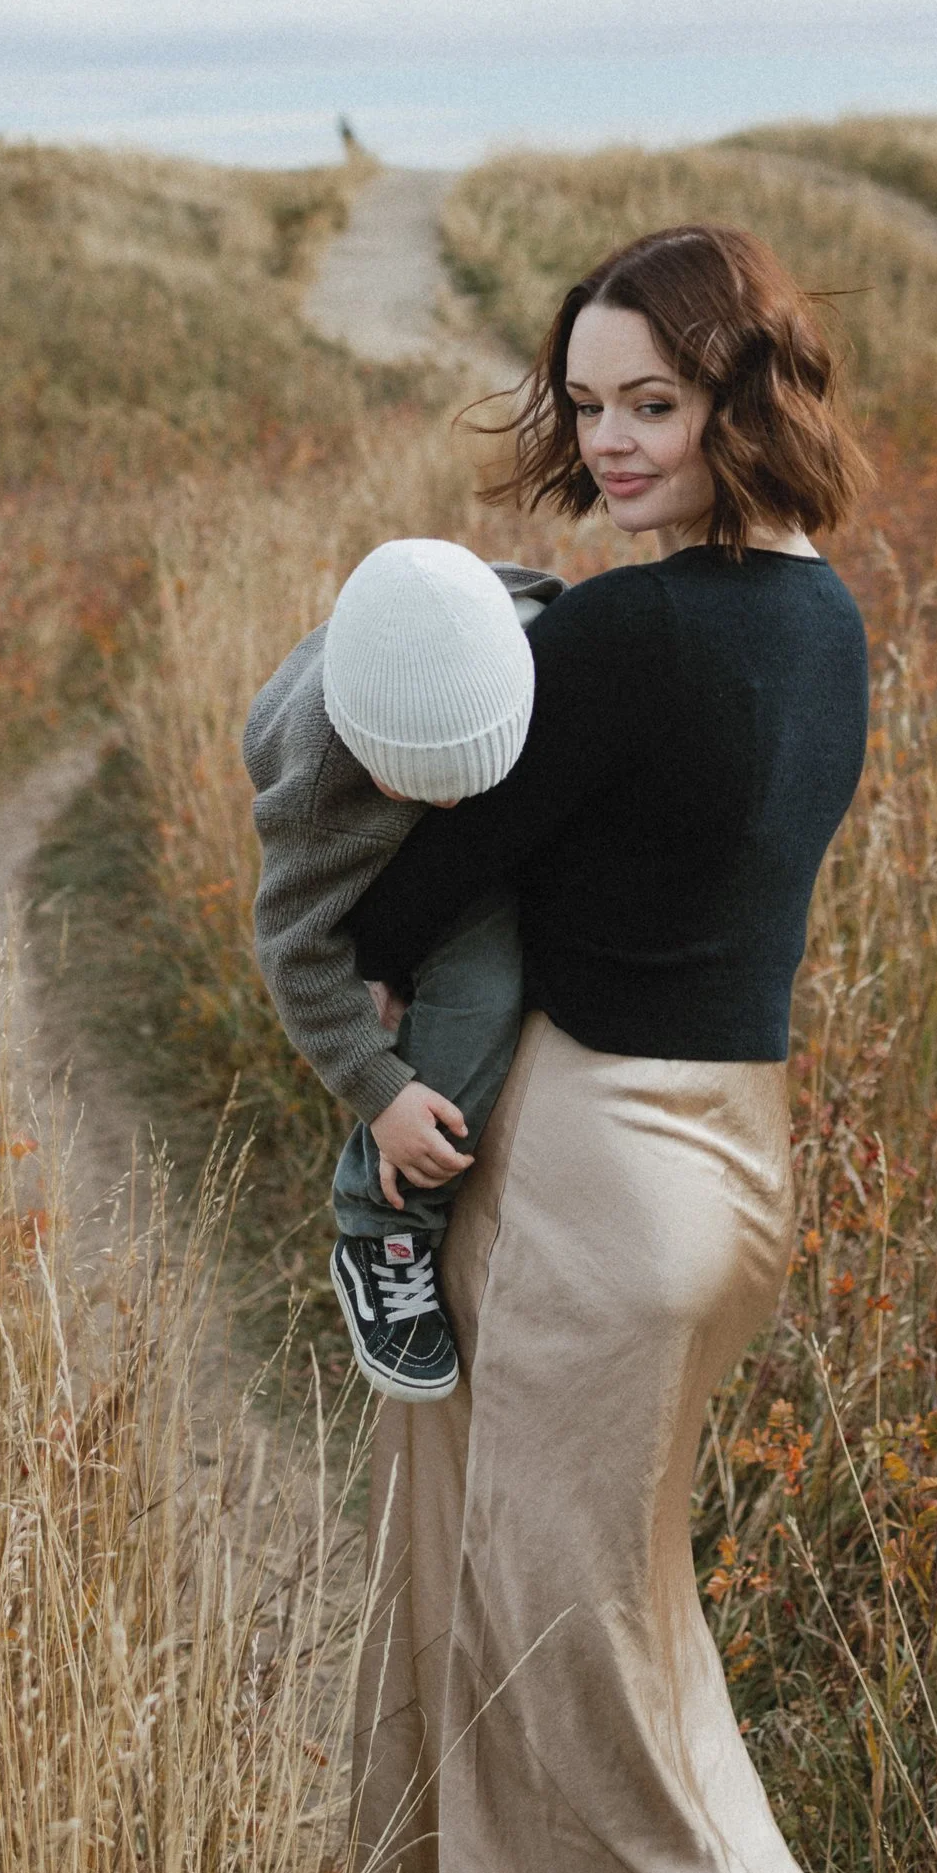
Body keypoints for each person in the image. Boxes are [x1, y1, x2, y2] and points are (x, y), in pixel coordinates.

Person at [337, 225, 927, 1873]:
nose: (605, 442)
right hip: (735, 1163)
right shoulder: (820, 618)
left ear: (735, 398)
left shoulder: (617, 638)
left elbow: (400, 905)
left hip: (590, 1166)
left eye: (647, 404)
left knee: (539, 1632)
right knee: (612, 1620)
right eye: (584, 404)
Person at [245, 534, 561, 1399]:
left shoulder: (526, 628)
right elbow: (292, 947)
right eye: (417, 786)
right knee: (482, 989)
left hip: (484, 812)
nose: (449, 801)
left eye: (467, 779)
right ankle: (384, 1229)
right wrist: (378, 1091)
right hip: (375, 863)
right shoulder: (322, 797)